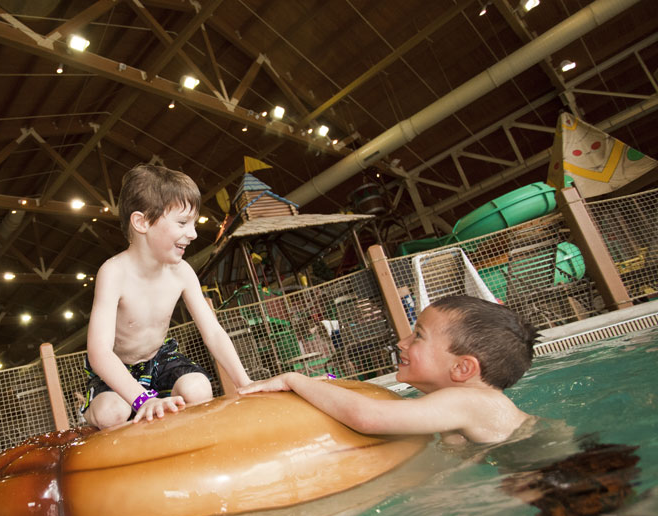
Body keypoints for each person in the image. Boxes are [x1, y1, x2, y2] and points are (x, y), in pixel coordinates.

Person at [84, 164, 253, 428]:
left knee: (198, 388)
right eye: (183, 222)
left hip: (160, 359)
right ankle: (94, 412)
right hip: (117, 369)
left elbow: (213, 333)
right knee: (111, 413)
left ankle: (178, 428)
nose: (194, 233)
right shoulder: (114, 272)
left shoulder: (181, 272)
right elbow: (99, 352)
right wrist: (142, 399)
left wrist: (245, 383)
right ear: (141, 222)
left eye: (194, 223)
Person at [240, 295, 537, 444]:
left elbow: (368, 418)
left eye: (418, 336)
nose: (401, 342)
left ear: (462, 368)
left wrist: (295, 379)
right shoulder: (470, 407)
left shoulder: (469, 401)